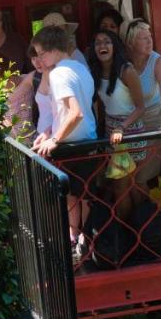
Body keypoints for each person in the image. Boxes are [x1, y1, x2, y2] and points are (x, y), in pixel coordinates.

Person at [31, 25, 98, 256]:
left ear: (52, 50)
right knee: (85, 196)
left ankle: (75, 240)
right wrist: (49, 131)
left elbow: (75, 112)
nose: (39, 58)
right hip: (89, 141)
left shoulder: (59, 73)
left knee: (71, 195)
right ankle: (83, 239)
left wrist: (55, 140)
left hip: (69, 145)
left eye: (40, 53)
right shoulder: (81, 68)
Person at [87, 28, 147, 222]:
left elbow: (140, 107)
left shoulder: (126, 70)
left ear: (115, 46)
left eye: (107, 42)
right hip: (110, 132)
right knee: (128, 184)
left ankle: (134, 232)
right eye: (98, 43)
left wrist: (122, 127)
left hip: (131, 131)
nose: (102, 46)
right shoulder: (95, 72)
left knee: (122, 186)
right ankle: (141, 229)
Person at [121, 18, 161, 186]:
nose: (149, 41)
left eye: (150, 36)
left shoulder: (158, 62)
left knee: (140, 177)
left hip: (152, 124)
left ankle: (149, 211)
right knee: (125, 178)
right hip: (127, 126)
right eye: (143, 38)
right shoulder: (123, 62)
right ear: (130, 43)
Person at [4, 44, 53, 145]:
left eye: (40, 56)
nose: (37, 62)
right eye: (33, 58)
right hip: (17, 141)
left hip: (38, 139)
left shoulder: (30, 78)